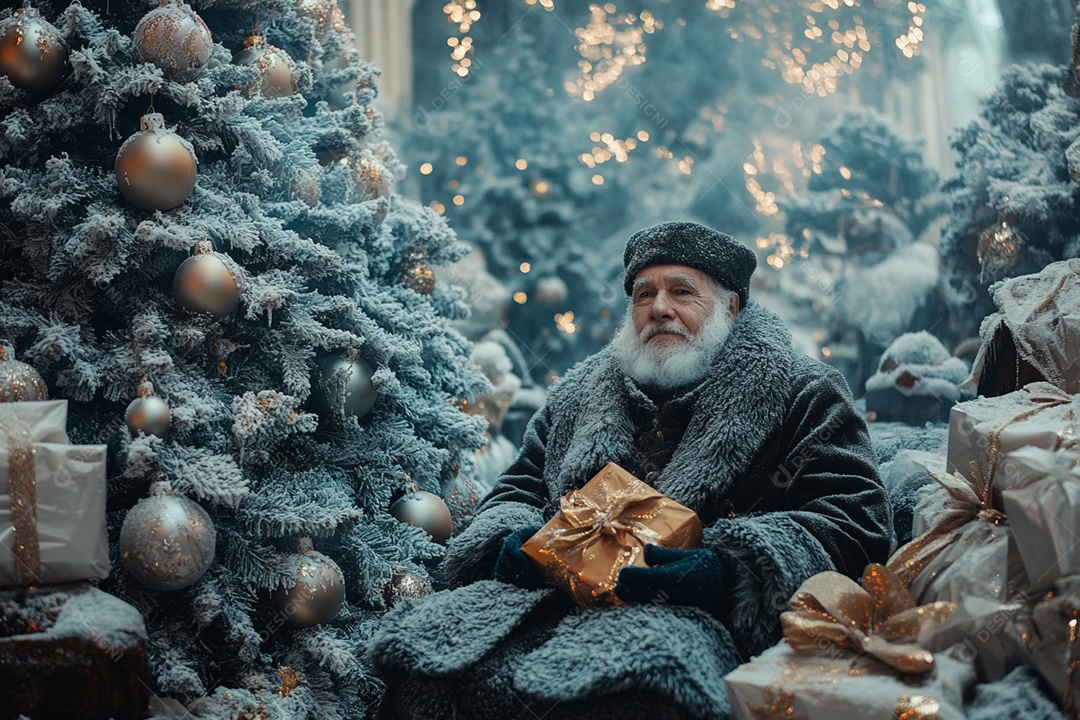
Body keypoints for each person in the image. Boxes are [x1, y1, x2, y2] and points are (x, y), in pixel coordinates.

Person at [371, 221, 893, 720]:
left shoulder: (804, 391)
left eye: (682, 292)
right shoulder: (578, 394)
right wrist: (511, 540)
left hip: (697, 621)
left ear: (730, 306)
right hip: (546, 603)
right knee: (425, 665)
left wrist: (731, 574)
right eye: (644, 294)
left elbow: (857, 521)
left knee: (633, 690)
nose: (659, 308)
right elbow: (519, 487)